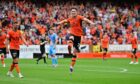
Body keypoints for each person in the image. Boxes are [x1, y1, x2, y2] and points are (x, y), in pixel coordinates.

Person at [56, 7, 95, 73]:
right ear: (71, 13)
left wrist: (91, 22)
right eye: (72, 11)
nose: (73, 12)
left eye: (74, 11)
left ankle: (71, 66)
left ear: (76, 12)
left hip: (79, 36)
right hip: (72, 33)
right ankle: (69, 47)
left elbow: (85, 19)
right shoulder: (70, 18)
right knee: (71, 38)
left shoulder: (79, 17)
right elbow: (65, 21)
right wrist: (59, 23)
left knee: (75, 52)